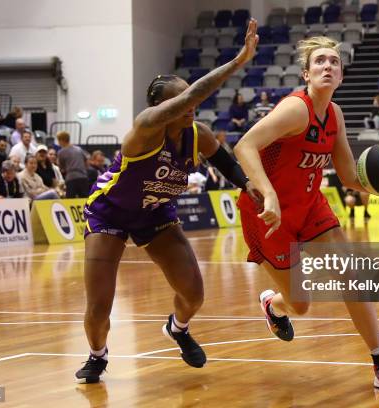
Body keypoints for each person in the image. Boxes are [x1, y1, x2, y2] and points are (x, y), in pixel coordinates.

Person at [74, 19, 261, 384]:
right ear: (160, 106)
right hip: (109, 212)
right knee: (99, 306)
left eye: (188, 96)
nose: (190, 103)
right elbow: (193, 98)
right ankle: (98, 355)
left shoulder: (198, 134)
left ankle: (178, 328)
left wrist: (244, 184)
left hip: (155, 212)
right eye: (180, 98)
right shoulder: (145, 129)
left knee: (193, 293)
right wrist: (239, 60)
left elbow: (222, 158)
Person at [234, 36, 379, 393]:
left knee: (352, 275)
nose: (327, 66)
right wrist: (268, 192)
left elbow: (348, 176)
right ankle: (273, 304)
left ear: (342, 76)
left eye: (334, 61)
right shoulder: (295, 109)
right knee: (300, 305)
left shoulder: (334, 114)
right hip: (267, 213)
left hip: (311, 205)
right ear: (306, 74)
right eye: (319, 62)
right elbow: (245, 146)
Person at [57, 131, 91, 198]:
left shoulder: (61, 152)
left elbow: (61, 167)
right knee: (84, 199)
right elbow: (87, 161)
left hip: (71, 178)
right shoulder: (79, 149)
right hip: (83, 177)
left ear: (61, 140)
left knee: (70, 200)